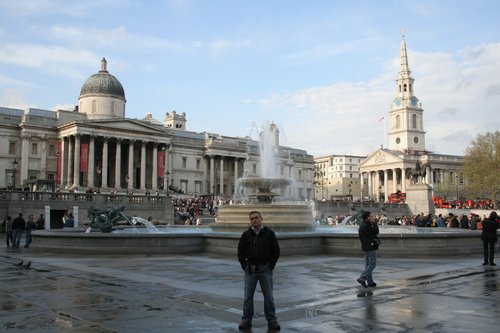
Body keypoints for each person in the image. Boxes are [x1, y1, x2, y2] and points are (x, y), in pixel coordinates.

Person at [237, 211, 280, 331]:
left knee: (269, 297)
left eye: (256, 218)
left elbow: (276, 250)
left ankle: (272, 320)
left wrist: (271, 265)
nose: (254, 220)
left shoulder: (269, 233)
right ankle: (246, 319)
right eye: (252, 219)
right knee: (248, 297)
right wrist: (244, 266)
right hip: (250, 269)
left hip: (265, 269)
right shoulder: (246, 234)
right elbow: (240, 251)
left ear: (261, 219)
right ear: (250, 221)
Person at [357, 210, 380, 288]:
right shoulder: (368, 226)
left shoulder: (362, 226)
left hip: (366, 247)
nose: (373, 217)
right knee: (372, 264)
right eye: (371, 216)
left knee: (368, 265)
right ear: (368, 218)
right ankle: (362, 277)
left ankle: (370, 282)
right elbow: (376, 231)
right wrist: (374, 223)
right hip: (371, 247)